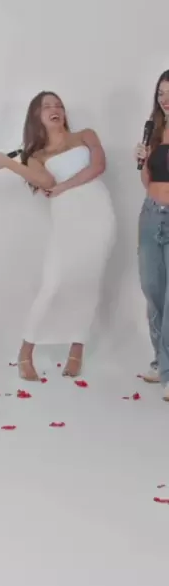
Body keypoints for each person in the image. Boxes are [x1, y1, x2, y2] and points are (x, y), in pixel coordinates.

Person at [0, 90, 115, 381]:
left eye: (58, 105)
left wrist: (63, 187)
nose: (55, 109)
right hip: (68, 220)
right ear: (37, 115)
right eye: (47, 106)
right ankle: (25, 351)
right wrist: (9, 163)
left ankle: (77, 349)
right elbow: (45, 181)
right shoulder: (36, 156)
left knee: (89, 281)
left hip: (100, 215)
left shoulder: (85, 135)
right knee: (54, 282)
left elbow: (98, 166)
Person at [135, 69, 169, 398]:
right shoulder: (154, 132)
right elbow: (148, 182)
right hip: (150, 215)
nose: (165, 100)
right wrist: (143, 161)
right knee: (153, 290)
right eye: (161, 93)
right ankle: (160, 360)